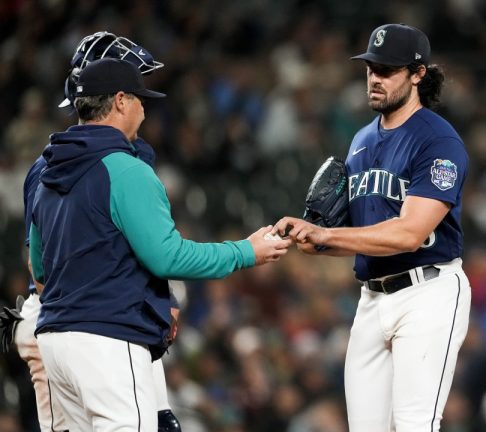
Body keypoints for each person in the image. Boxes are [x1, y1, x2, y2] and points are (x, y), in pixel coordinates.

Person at [28, 57, 292, 431]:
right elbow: (167, 256)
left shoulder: (47, 175)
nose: (144, 110)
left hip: (55, 343)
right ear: (120, 101)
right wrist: (245, 251)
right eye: (139, 99)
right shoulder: (125, 169)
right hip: (108, 339)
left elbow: (39, 269)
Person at [274, 23, 471, 432]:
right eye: (370, 68)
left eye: (387, 69)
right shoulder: (361, 140)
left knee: (415, 424)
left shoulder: (438, 140)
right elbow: (365, 233)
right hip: (371, 298)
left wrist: (329, 235)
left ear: (418, 74)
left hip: (427, 293)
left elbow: (408, 233)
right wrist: (319, 240)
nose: (375, 78)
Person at [13, 31, 185, 432]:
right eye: (133, 80)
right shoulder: (58, 165)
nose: (142, 90)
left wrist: (162, 298)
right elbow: (41, 264)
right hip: (80, 318)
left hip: (69, 320)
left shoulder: (100, 153)